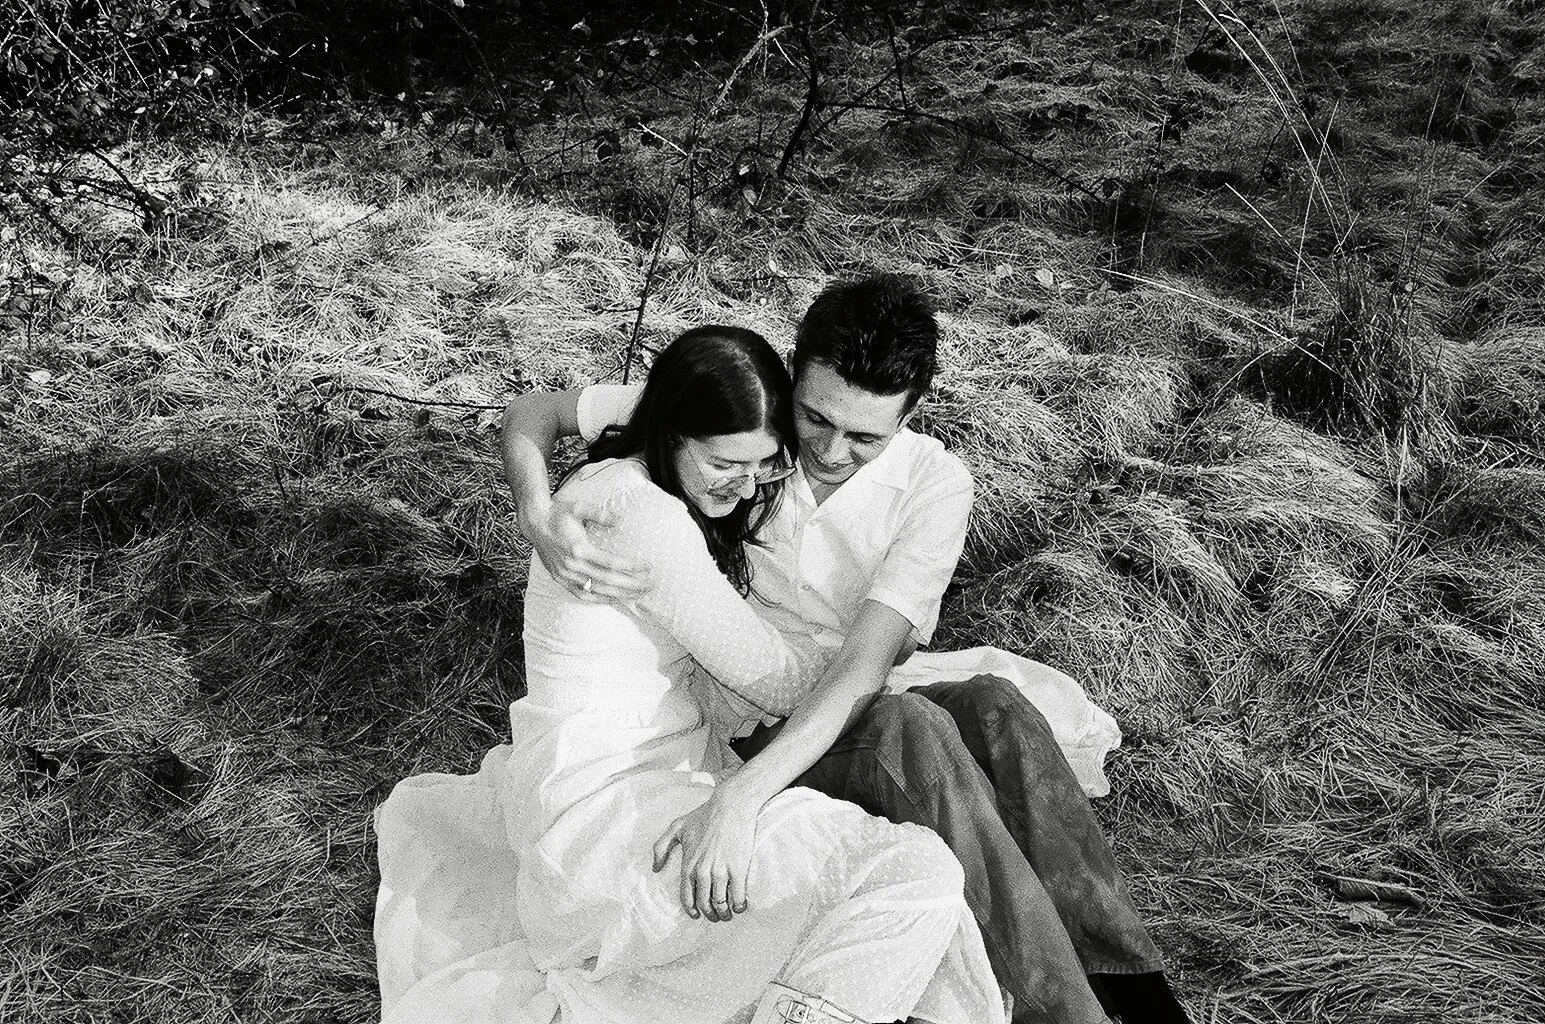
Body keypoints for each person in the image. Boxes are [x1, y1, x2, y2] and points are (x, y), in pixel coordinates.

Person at [501, 275, 1193, 1024]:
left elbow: (864, 667)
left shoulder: (933, 484)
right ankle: (1061, 1011)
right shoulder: (738, 416)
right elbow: (534, 413)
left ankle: (1134, 984)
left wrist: (744, 797)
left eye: (866, 436)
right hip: (752, 706)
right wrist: (539, 516)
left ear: (911, 412)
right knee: (913, 731)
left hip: (844, 685)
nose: (830, 451)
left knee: (997, 708)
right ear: (792, 376)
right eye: (815, 420)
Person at [374, 325, 1007, 1024]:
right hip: (607, 836)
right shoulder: (642, 517)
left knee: (909, 878)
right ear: (673, 431)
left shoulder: (640, 474)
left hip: (641, 794)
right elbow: (783, 686)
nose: (744, 489)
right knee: (913, 874)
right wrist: (876, 645)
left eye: (763, 467)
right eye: (725, 464)